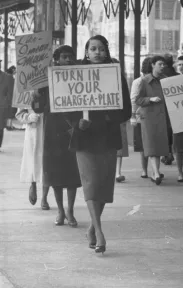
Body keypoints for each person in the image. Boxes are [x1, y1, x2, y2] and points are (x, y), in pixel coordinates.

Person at [67, 35, 131, 253]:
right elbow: (66, 107)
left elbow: (126, 110)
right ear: (86, 52)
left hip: (107, 137)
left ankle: (92, 228)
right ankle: (100, 233)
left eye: (101, 49)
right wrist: (78, 123)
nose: (97, 53)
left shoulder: (116, 74)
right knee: (91, 183)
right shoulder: (75, 74)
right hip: (84, 138)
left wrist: (108, 119)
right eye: (93, 49)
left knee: (103, 185)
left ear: (107, 51)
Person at [32, 45, 82, 224]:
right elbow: (38, 108)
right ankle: (60, 211)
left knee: (72, 175)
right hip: (53, 132)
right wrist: (36, 95)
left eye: (71, 57)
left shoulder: (80, 78)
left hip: (73, 130)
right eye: (64, 57)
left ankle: (70, 211)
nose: (68, 60)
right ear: (56, 60)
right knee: (55, 174)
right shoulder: (46, 81)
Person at [135, 56, 170, 185]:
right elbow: (138, 100)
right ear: (153, 65)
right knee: (151, 145)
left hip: (162, 117)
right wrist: (150, 99)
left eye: (164, 64)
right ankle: (156, 173)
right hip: (148, 117)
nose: (162, 66)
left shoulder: (166, 80)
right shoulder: (144, 81)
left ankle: (156, 173)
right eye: (160, 64)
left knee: (159, 145)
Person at [16, 107, 51, 210]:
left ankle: (44, 197)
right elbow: (19, 114)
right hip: (33, 130)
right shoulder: (26, 91)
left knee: (47, 162)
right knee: (33, 160)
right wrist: (28, 117)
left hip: (49, 127)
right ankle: (33, 184)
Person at [130, 57, 151, 178]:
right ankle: (145, 170)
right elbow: (134, 100)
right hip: (141, 116)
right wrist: (133, 116)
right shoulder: (139, 82)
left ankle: (147, 170)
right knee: (144, 144)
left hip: (145, 115)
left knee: (147, 145)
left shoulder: (139, 81)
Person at [111, 58, 129, 183]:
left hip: (118, 117)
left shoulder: (121, 82)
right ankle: (115, 172)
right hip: (112, 118)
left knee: (119, 147)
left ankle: (117, 172)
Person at [160, 53, 178, 166]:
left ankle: (166, 153)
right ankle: (170, 152)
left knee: (165, 130)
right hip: (174, 105)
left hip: (163, 106)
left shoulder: (161, 76)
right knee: (171, 131)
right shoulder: (175, 75)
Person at [5, 66, 17, 131]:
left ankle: (9, 125)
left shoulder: (6, 76)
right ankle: (8, 126)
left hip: (7, 97)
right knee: (10, 111)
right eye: (15, 70)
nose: (16, 71)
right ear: (12, 70)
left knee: (9, 111)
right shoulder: (10, 77)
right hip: (10, 97)